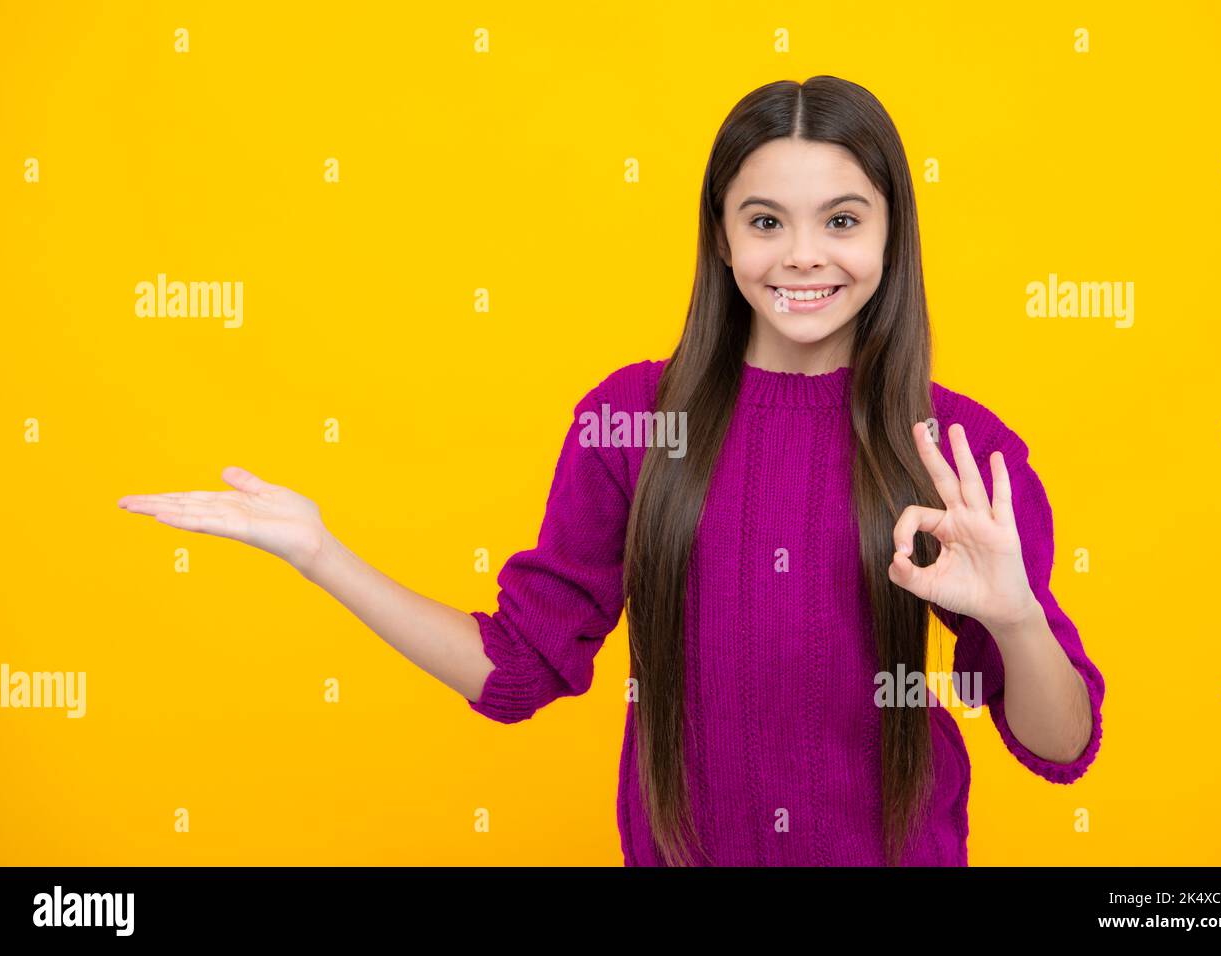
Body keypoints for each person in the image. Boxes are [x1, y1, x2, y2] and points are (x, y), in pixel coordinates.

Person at [118, 75, 1104, 867]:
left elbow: (1059, 745)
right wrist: (322, 553)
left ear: (892, 235)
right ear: (721, 236)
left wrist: (1014, 615)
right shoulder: (634, 422)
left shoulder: (954, 448)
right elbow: (516, 667)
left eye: (842, 219)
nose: (803, 254)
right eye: (765, 221)